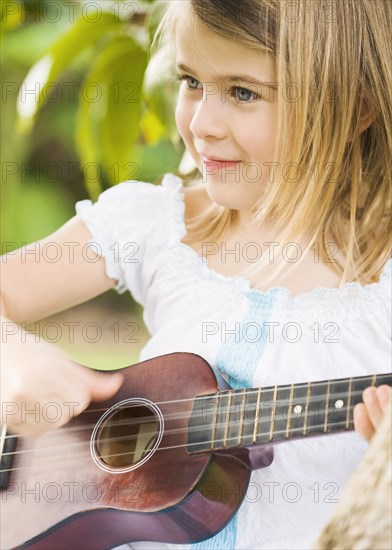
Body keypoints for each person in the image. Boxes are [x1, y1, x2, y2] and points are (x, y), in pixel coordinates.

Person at [1, 1, 391, 549]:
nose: (202, 124)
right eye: (190, 81)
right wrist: (11, 358)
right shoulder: (155, 226)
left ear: (355, 109)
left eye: (243, 92)